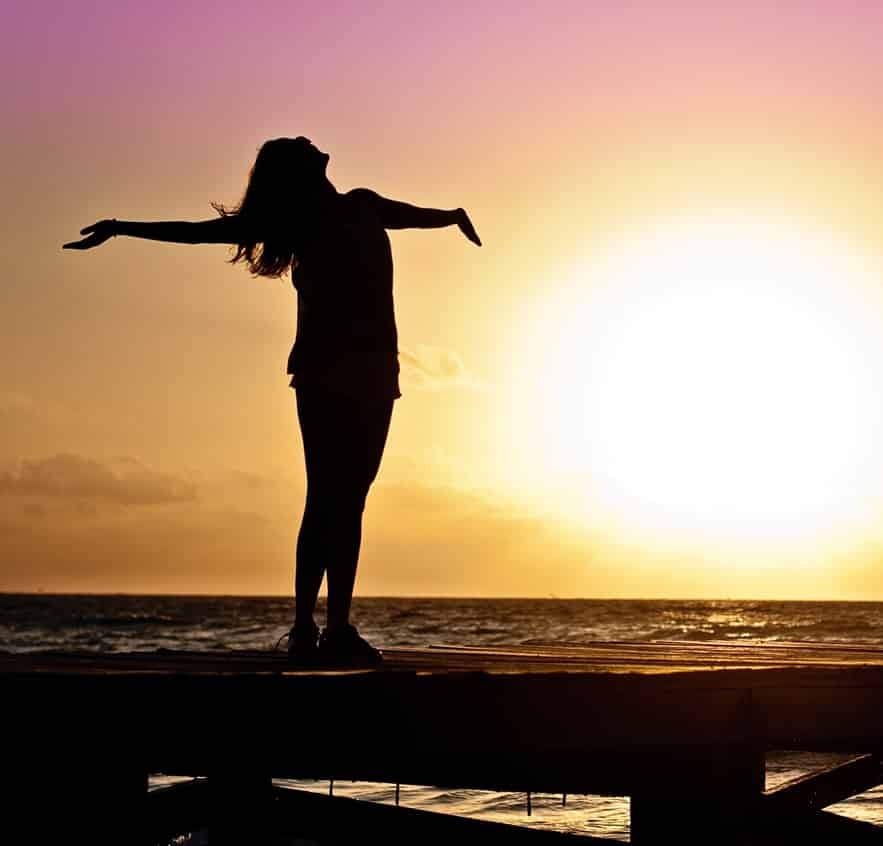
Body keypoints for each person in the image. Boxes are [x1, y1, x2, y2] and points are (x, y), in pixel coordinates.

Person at [63, 136, 481, 666]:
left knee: (344, 499)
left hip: (376, 372)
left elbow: (414, 216)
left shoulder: (363, 203)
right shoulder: (298, 221)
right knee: (333, 498)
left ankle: (327, 627)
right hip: (328, 371)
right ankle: (317, 626)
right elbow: (198, 234)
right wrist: (122, 228)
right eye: (303, 146)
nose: (314, 142)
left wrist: (452, 215)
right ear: (300, 170)